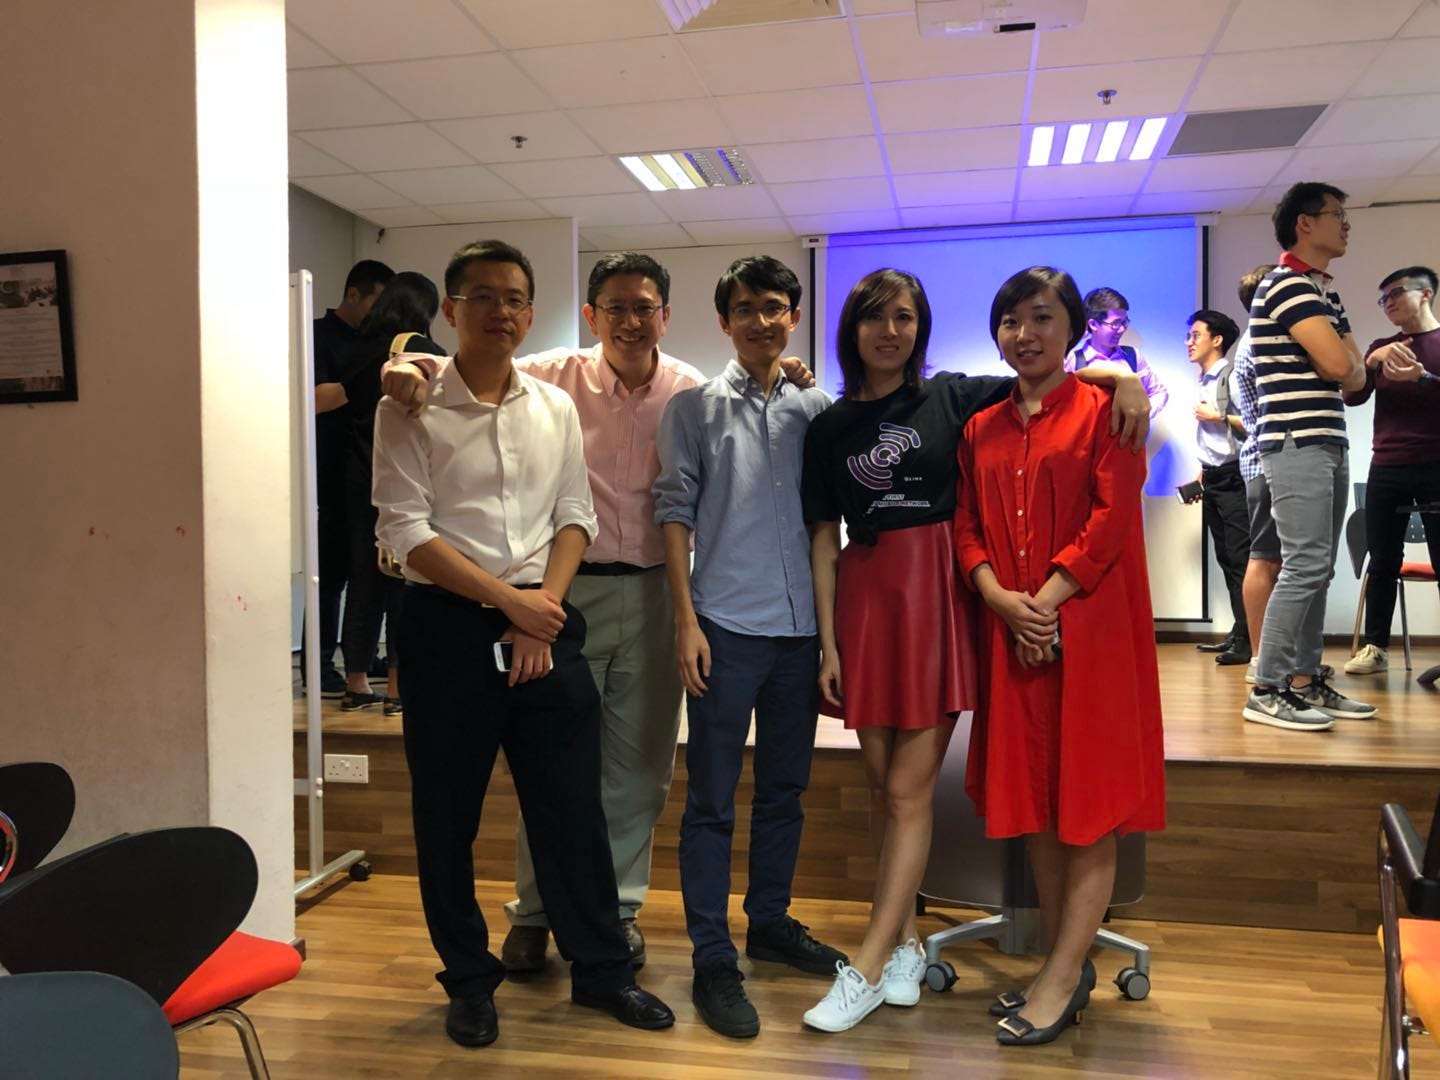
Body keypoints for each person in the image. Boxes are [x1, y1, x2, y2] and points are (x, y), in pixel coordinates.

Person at [798, 269, 1150, 1034]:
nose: (889, 331)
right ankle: (905, 946)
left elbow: (1060, 396)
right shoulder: (839, 425)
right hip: (886, 603)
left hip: (958, 605)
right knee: (886, 788)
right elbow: (839, 536)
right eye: (873, 317)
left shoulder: (955, 398)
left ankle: (873, 960)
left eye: (904, 317)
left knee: (919, 791)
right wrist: (830, 641)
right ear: (850, 328)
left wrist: (1122, 377)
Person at [380, 253, 725, 973]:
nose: (631, 321)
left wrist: (795, 374)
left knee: (639, 768)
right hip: (567, 591)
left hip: (654, 590)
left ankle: (616, 911)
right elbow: (460, 365)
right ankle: (536, 912)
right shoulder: (551, 375)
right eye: (615, 307)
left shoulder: (690, 391)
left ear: (666, 315)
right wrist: (405, 361)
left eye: (646, 307)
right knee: (554, 772)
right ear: (591, 315)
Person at [954, 265, 1165, 1048]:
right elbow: (966, 526)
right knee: (1038, 802)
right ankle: (1061, 968)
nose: (1025, 334)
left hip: (1090, 634)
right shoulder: (981, 427)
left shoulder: (1108, 411)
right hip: (1014, 633)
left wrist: (1042, 600)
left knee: (1089, 804)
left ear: (1072, 327)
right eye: (1011, 320)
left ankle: (1063, 973)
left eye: (1042, 317)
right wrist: (999, 598)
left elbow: (1110, 522)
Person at [653, 255, 845, 1039]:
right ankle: (712, 956)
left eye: (774, 306)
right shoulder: (694, 409)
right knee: (710, 802)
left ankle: (769, 922)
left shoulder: (817, 408)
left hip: (799, 637)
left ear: (793, 316)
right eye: (745, 308)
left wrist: (830, 640)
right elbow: (674, 516)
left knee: (784, 793)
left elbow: (825, 526)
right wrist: (685, 623)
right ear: (724, 320)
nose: (761, 320)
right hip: (724, 629)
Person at [1243, 182, 1376, 731]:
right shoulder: (1285, 285)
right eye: (1336, 214)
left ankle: (1304, 679)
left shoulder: (1324, 293)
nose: (1346, 224)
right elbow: (1343, 366)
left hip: (1328, 437)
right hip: (1295, 438)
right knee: (1302, 565)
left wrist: (1343, 363)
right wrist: (1341, 362)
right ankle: (1267, 687)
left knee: (1317, 568)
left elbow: (1352, 377)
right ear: (1305, 223)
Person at [330, 271, 447, 713]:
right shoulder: (422, 352)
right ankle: (398, 688)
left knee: (363, 581)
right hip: (403, 479)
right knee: (404, 580)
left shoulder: (358, 348)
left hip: (358, 478)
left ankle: (356, 683)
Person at [1342, 265, 1440, 674]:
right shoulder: (1383, 346)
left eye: (1396, 293)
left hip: (1436, 465)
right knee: (1382, 560)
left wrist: (1424, 378)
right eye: (1383, 298)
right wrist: (1370, 361)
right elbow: (1352, 396)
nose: (1388, 303)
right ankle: (1375, 648)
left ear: (1426, 293)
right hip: (1386, 464)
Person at [306, 258, 393, 696]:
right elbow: (311, 398)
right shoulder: (318, 336)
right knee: (330, 576)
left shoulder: (372, 342)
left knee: (366, 572)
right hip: (328, 471)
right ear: (353, 294)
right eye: (377, 300)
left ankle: (359, 655)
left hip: (364, 472)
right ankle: (319, 666)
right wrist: (363, 379)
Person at [1184, 309, 1251, 664]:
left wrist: (1220, 417)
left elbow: (1256, 422)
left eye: (1196, 335)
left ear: (1217, 340)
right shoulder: (1205, 379)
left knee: (1241, 559)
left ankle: (1251, 639)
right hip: (1213, 477)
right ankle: (1241, 631)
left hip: (1235, 478)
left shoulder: (1232, 376)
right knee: (1226, 558)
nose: (1189, 342)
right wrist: (1202, 471)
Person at [1065, 287, 1169, 416]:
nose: (1121, 329)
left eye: (1124, 322)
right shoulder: (1073, 361)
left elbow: (1159, 392)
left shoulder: (1133, 356)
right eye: (1115, 323)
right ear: (1093, 324)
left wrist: (1140, 416)